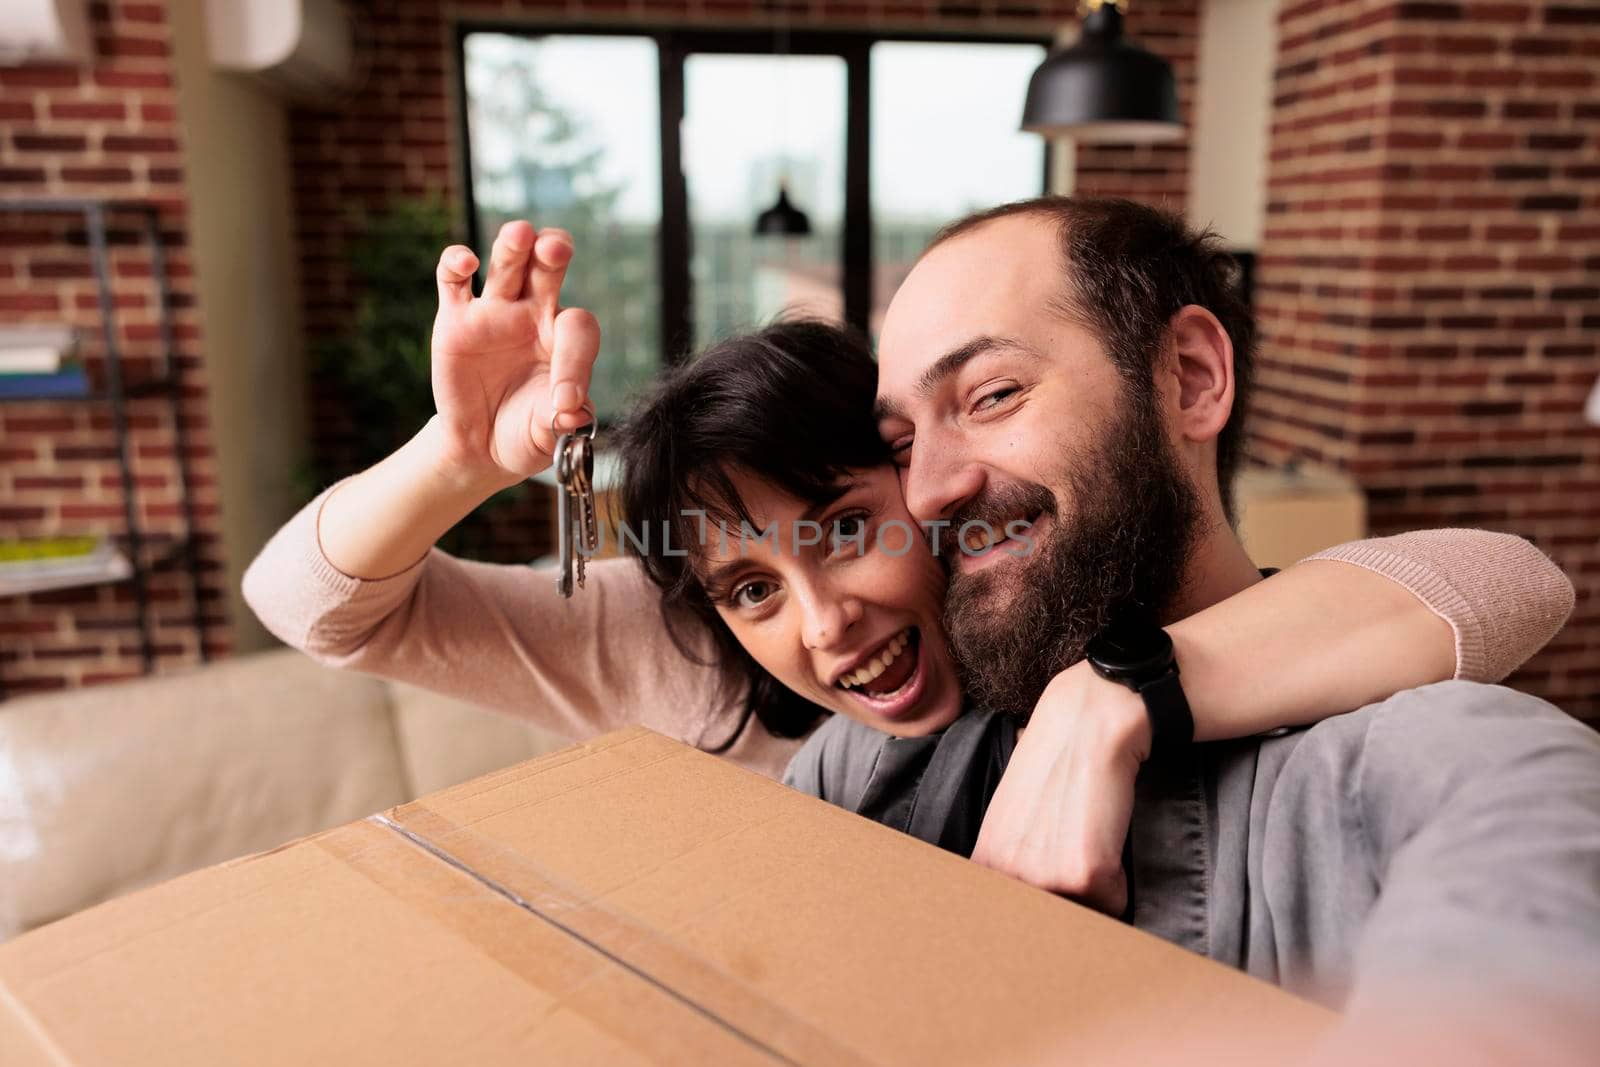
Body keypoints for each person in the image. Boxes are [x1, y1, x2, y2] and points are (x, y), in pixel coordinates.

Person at [244, 214, 1572, 928]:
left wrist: (1117, 690)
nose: (825, 620)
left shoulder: (1367, 766)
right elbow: (311, 608)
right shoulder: (717, 681)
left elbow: (1506, 581)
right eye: (752, 584)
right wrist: (461, 455)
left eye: (844, 520)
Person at [784, 195, 1600, 1054]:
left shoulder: (1436, 775)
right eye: (904, 444)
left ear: (1191, 376)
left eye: (991, 395)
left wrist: (1118, 690)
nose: (929, 491)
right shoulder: (869, 756)